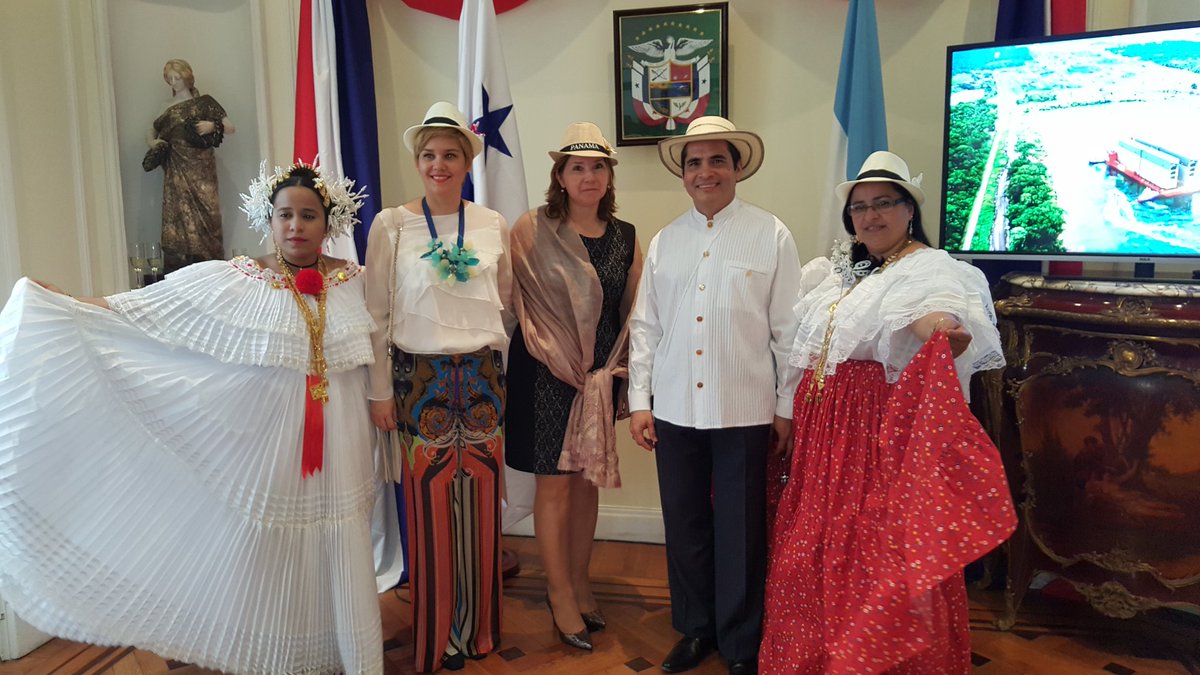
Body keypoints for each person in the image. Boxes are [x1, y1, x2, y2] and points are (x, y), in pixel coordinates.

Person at [0, 163, 386, 674]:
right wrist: (73, 305)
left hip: (344, 436)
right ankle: (278, 659)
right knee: (271, 545)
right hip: (271, 442)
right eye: (285, 215)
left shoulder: (356, 281)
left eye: (308, 215)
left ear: (328, 221)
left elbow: (382, 346)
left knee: (341, 535)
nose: (295, 225)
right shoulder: (238, 278)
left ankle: (346, 657)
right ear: (270, 220)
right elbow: (150, 310)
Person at [759, 151, 1016, 673]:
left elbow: (932, 311)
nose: (870, 216)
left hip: (871, 432)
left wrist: (944, 329)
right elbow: (802, 348)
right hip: (823, 431)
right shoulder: (840, 273)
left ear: (908, 210)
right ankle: (812, 659)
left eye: (883, 203)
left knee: (873, 547)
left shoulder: (928, 266)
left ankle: (868, 661)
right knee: (812, 545)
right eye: (859, 207)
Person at [628, 116, 801, 675]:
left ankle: (741, 642)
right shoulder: (665, 241)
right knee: (684, 525)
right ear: (683, 174)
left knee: (740, 529)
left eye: (717, 160)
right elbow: (646, 327)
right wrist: (639, 401)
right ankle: (696, 628)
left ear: (737, 168)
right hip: (675, 407)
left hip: (743, 408)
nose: (706, 172)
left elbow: (788, 332)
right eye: (694, 163)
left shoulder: (771, 234)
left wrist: (785, 408)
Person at [365, 101, 511, 673]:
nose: (439, 164)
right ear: (417, 161)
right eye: (429, 155)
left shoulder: (492, 224)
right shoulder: (390, 226)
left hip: (481, 379)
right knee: (428, 508)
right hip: (417, 380)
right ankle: (437, 634)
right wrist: (380, 391)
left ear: (467, 163)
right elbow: (376, 315)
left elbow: (506, 304)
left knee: (481, 505)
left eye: (451, 154)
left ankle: (478, 631)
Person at [506, 122, 643, 651]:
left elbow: (632, 312)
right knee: (556, 485)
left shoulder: (626, 236)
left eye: (598, 167)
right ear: (559, 176)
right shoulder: (531, 229)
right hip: (545, 372)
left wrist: (625, 376)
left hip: (597, 378)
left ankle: (581, 583)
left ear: (609, 176)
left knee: (587, 482)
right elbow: (517, 302)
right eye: (577, 167)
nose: (589, 176)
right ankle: (559, 592)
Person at [143, 58, 236, 272]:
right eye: (170, 79)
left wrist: (211, 125)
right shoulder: (166, 106)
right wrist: (153, 142)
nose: (174, 82)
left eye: (177, 77)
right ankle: (180, 267)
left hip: (202, 167)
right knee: (177, 215)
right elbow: (151, 130)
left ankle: (211, 266)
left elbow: (230, 127)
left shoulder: (204, 102)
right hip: (176, 167)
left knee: (209, 212)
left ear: (187, 77)